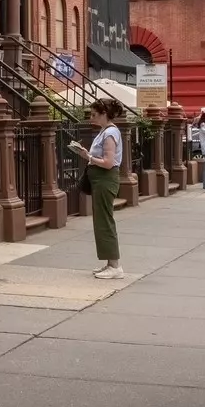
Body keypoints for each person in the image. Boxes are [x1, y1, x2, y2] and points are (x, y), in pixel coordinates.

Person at [72, 97, 126, 279]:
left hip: (105, 179)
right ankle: (110, 263)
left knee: (104, 221)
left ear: (104, 114)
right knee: (101, 221)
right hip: (100, 180)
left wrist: (88, 157)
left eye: (94, 114)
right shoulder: (105, 131)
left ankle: (115, 266)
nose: (91, 117)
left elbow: (108, 162)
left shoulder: (110, 133)